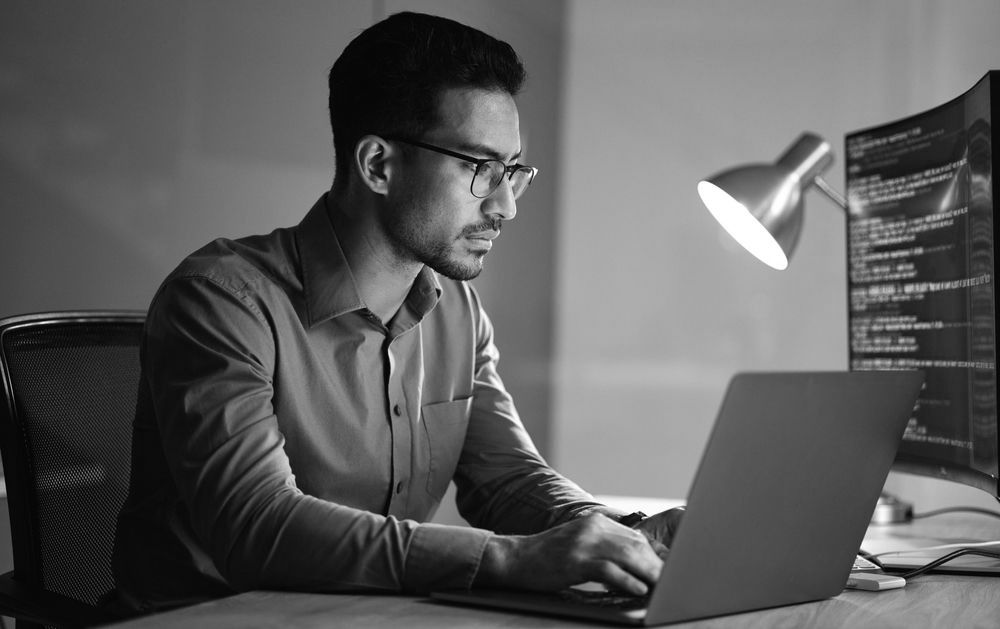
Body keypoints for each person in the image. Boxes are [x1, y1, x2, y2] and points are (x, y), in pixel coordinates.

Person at [111, 11, 683, 614]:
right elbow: (258, 525)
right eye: (480, 169)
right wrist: (510, 560)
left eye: (513, 171)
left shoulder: (456, 309)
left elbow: (508, 479)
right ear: (379, 165)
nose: (507, 206)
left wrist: (618, 533)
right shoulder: (222, 300)